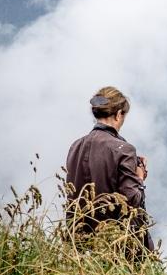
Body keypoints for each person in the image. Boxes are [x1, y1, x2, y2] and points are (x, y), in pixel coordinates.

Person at [64, 86, 155, 255]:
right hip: (115, 244)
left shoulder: (75, 146)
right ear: (119, 114)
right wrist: (139, 178)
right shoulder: (124, 149)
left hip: (80, 243)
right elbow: (131, 200)